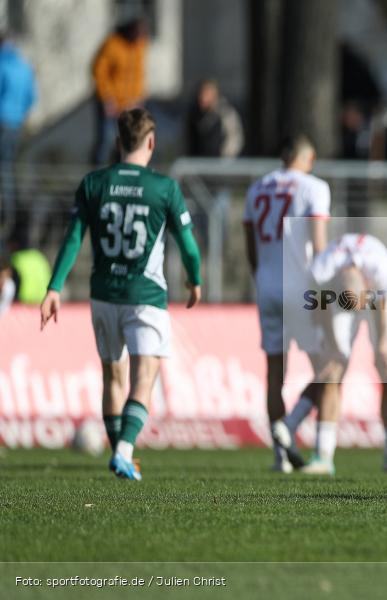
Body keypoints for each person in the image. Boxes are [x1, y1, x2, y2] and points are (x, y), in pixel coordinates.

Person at [40, 108, 203, 481]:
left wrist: (54, 287)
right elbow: (189, 247)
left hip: (103, 295)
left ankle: (120, 456)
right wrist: (194, 280)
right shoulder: (164, 188)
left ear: (117, 143)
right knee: (145, 375)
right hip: (145, 295)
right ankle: (125, 450)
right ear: (151, 142)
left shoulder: (94, 182)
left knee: (113, 377)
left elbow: (73, 238)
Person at [276, 233, 387, 476]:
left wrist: (383, 342)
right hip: (336, 294)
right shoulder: (320, 272)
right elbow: (321, 309)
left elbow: (382, 304)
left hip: (382, 296)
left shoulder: (382, 269)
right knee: (331, 368)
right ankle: (323, 456)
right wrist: (334, 347)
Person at [243, 134, 330, 473]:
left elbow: (250, 245)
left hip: (267, 285)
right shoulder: (314, 188)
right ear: (308, 158)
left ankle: (280, 457)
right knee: (327, 367)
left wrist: (262, 277)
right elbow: (319, 246)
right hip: (300, 287)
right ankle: (295, 430)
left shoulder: (256, 188)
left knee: (274, 373)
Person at [91, 18, 148, 166]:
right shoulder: (112, 44)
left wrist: (138, 98)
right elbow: (99, 72)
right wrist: (107, 98)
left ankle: (121, 172)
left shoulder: (139, 46)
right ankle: (97, 173)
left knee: (128, 143)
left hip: (129, 105)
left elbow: (139, 75)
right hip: (111, 104)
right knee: (106, 141)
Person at [0, 32, 37, 234]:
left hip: (2, 122)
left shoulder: (2, 65)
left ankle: (8, 214)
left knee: (4, 169)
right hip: (17, 124)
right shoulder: (24, 66)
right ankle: (13, 212)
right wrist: (20, 114)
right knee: (10, 169)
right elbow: (32, 97)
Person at [186, 79, 244, 158]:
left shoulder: (225, 112)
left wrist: (225, 157)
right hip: (198, 161)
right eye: (201, 94)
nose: (202, 98)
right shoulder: (194, 115)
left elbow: (235, 137)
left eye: (206, 94)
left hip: (219, 161)